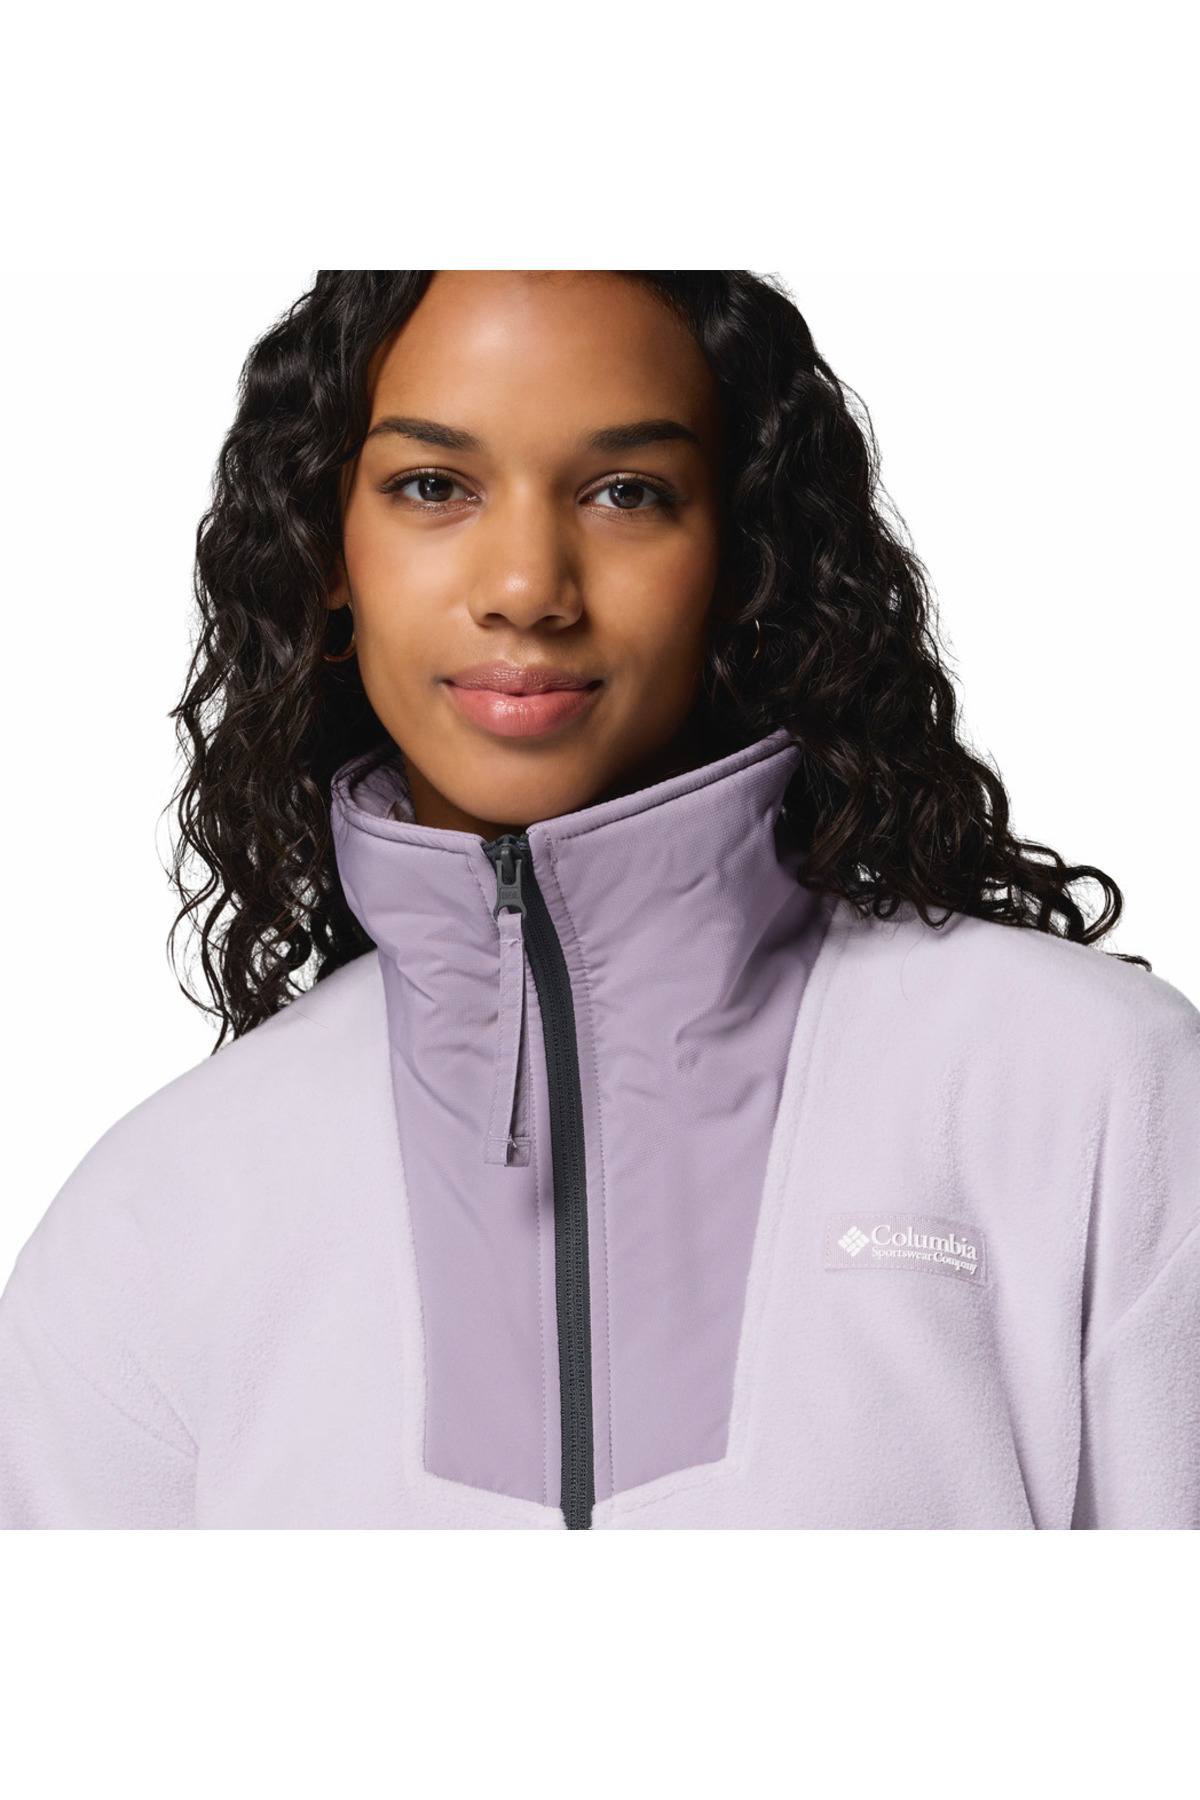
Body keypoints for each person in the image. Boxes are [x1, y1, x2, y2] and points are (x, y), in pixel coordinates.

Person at [1, 269, 1196, 1531]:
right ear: (326, 551)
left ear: (739, 555)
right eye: (434, 486)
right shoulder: (157, 1219)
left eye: (626, 491)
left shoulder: (1087, 1095)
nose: (528, 586)